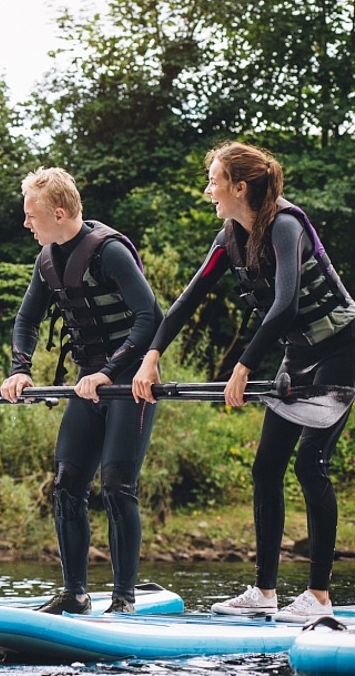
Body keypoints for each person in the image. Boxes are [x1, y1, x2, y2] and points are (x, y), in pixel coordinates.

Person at [133, 142, 355, 622]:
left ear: (239, 187)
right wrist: (151, 357)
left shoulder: (286, 226)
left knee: (310, 464)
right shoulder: (228, 238)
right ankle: (264, 591)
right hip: (299, 354)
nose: (207, 190)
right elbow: (186, 302)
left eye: (213, 181)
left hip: (342, 349)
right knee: (265, 468)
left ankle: (318, 596)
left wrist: (244, 365)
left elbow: (286, 304)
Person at [0, 168, 162, 615]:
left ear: (58, 213)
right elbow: (26, 319)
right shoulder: (47, 261)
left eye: (31, 215)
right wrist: (20, 370)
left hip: (130, 380)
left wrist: (109, 372)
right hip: (88, 381)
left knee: (117, 487)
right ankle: (75, 594)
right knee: (66, 485)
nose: (26, 223)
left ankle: (124, 600)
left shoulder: (109, 252)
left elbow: (151, 318)